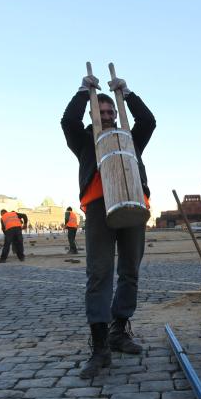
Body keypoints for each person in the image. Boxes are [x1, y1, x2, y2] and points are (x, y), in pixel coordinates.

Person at [61, 71, 156, 379]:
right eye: (100, 112)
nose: (106, 115)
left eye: (109, 112)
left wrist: (126, 93)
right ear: (92, 114)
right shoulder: (85, 139)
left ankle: (119, 330)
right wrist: (82, 91)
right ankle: (100, 346)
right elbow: (68, 122)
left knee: (130, 271)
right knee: (99, 274)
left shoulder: (129, 137)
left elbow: (149, 121)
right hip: (100, 208)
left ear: (116, 114)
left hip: (133, 206)